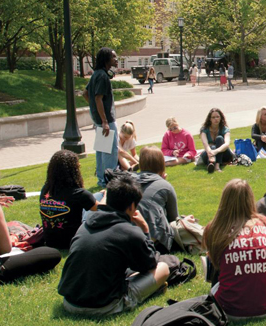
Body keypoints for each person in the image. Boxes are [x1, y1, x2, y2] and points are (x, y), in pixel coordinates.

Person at [58, 174, 170, 316]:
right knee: (163, 268)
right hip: (105, 306)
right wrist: (145, 230)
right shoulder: (130, 232)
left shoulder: (86, 224)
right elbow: (150, 263)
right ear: (131, 206)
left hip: (69, 302)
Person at [204, 179, 266, 320]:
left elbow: (215, 263)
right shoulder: (265, 223)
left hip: (228, 310)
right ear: (250, 199)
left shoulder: (214, 228)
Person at [39, 150, 98, 250]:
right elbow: (102, 209)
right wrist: (105, 194)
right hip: (73, 241)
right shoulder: (79, 193)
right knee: (97, 201)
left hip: (50, 241)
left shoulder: (46, 189)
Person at [86, 47, 119, 188]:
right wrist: (105, 121)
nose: (116, 59)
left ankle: (101, 179)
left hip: (99, 120)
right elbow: (98, 98)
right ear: (106, 59)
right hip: (107, 121)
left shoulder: (96, 74)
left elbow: (86, 94)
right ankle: (109, 181)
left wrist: (95, 111)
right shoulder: (103, 76)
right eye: (113, 57)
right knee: (110, 152)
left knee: (101, 151)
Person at [135, 147, 179, 253]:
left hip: (124, 235)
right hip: (153, 241)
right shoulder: (165, 186)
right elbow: (173, 219)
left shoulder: (128, 181)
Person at [199, 108, 235, 173]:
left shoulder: (224, 129)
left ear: (221, 118)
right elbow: (205, 144)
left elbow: (227, 144)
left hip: (224, 154)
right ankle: (211, 163)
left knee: (219, 138)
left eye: (217, 117)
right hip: (209, 153)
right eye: (213, 117)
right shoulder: (204, 129)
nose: (216, 119)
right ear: (210, 119)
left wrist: (215, 151)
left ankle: (216, 165)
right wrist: (210, 152)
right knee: (211, 147)